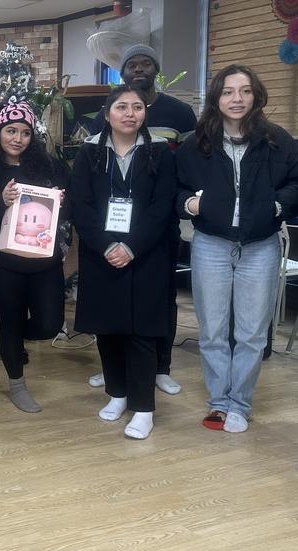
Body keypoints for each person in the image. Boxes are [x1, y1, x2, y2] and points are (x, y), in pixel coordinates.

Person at [177, 65, 298, 432]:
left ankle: (240, 405)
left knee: (251, 333)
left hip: (260, 246)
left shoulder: (277, 140)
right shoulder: (196, 142)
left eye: (245, 91)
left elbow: (295, 183)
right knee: (212, 330)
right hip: (211, 244)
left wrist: (276, 207)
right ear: (216, 97)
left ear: (256, 96)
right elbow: (177, 189)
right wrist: (191, 205)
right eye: (228, 91)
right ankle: (218, 401)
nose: (237, 99)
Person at [87, 44, 197, 396]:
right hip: (111, 232)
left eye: (145, 62)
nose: (138, 68)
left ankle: (160, 367)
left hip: (158, 227)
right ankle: (118, 372)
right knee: (115, 299)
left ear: (155, 68)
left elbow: (190, 162)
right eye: (131, 63)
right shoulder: (102, 119)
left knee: (160, 300)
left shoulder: (179, 113)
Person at [70, 86, 177, 440]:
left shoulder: (161, 152)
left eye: (137, 107)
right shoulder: (89, 153)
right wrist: (106, 245)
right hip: (101, 253)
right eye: (121, 107)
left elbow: (162, 207)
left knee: (142, 334)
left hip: (146, 255)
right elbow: (80, 206)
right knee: (108, 329)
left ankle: (143, 408)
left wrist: (131, 247)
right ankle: (117, 394)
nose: (130, 113)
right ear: (107, 113)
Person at [0, 101, 69, 413]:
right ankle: (17, 383)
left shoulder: (49, 169)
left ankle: (14, 340)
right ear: (0, 133)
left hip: (43, 263)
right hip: (1, 263)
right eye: (11, 131)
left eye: (24, 132)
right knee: (10, 320)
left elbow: (71, 209)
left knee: (50, 324)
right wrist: (0, 201)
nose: (17, 138)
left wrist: (60, 204)